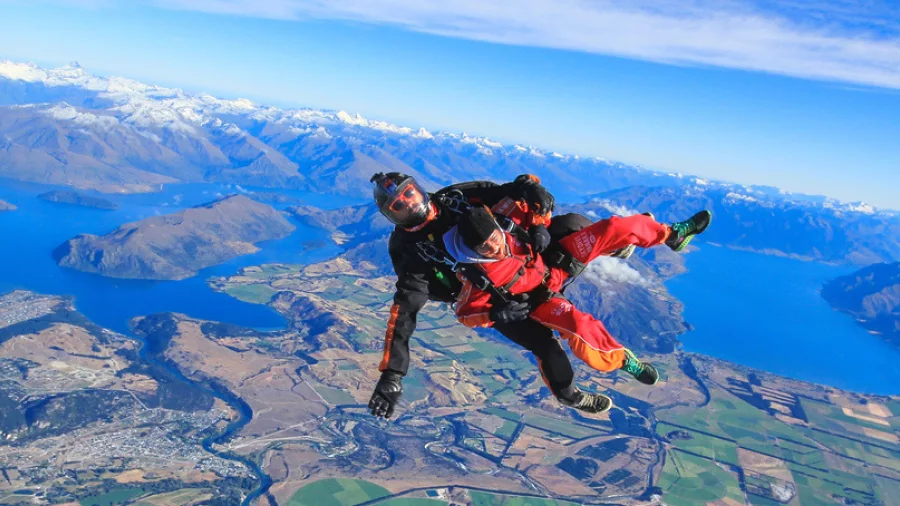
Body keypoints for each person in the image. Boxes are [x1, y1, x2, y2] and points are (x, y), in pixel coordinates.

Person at [445, 199, 712, 413]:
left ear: (495, 226)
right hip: (540, 300)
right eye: (483, 246)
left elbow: (534, 196)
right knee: (579, 326)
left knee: (611, 228)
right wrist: (494, 313)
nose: (493, 246)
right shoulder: (476, 275)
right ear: (472, 249)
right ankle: (622, 359)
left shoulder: (507, 223)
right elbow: (465, 313)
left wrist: (538, 225)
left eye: (493, 237)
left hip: (555, 263)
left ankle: (671, 234)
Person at [367, 172, 558, 419]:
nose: (411, 204)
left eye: (409, 194)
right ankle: (570, 394)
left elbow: (514, 188)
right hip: (487, 299)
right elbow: (404, 311)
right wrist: (392, 373)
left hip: (518, 257)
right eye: (399, 206)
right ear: (392, 216)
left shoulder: (455, 197)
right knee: (542, 343)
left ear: (419, 189)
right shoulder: (408, 250)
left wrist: (537, 205)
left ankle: (617, 242)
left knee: (572, 226)